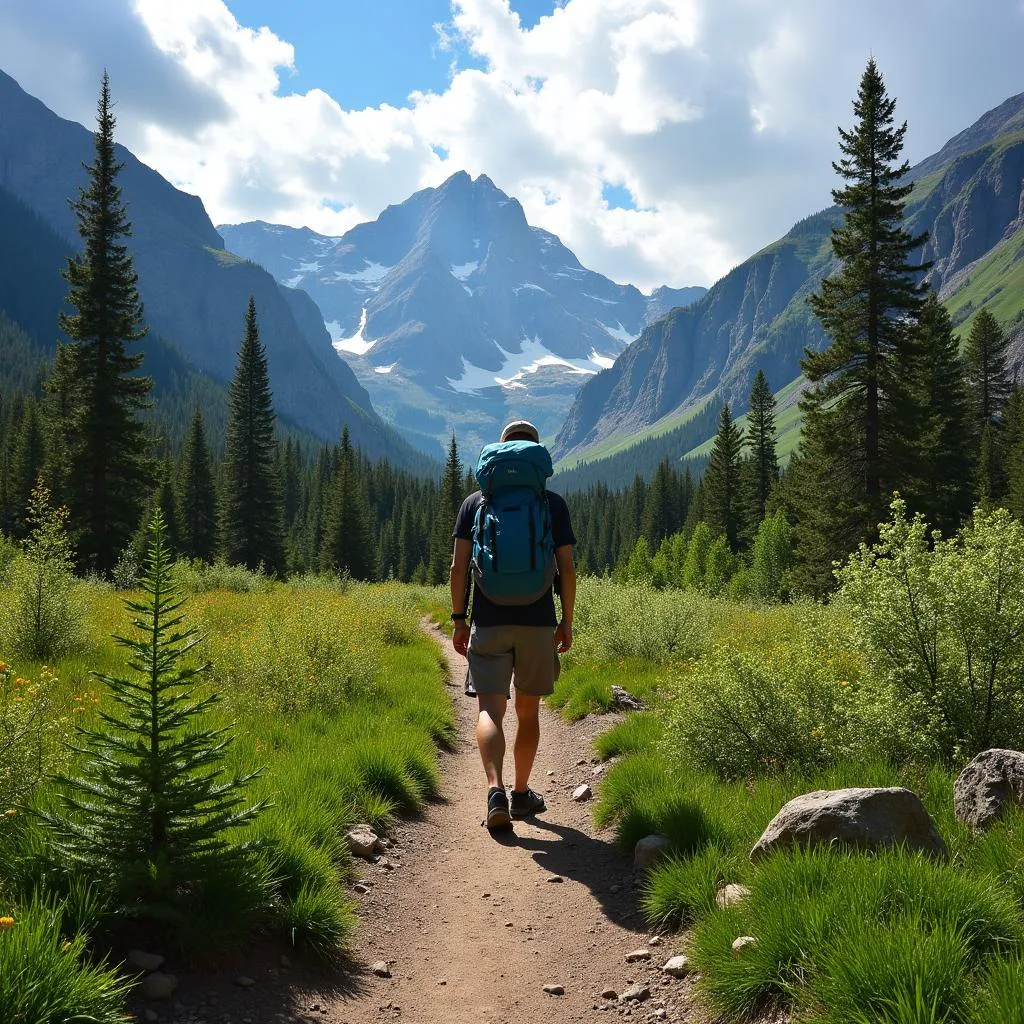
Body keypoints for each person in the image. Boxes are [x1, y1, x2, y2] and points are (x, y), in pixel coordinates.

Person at [450, 420, 577, 830]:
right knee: (528, 712)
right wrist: (566, 621)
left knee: (490, 707)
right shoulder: (551, 504)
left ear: (499, 454)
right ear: (536, 457)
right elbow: (567, 568)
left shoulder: (476, 502)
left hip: (489, 619)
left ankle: (495, 792)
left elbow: (458, 568)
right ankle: (522, 795)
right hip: (538, 621)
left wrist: (458, 620)